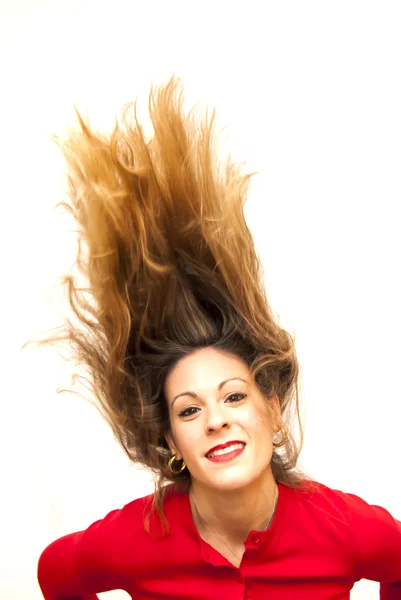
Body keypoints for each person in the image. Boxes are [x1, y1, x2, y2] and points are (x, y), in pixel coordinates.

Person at [36, 76, 401, 599]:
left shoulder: (341, 527)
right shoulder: (136, 540)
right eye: (188, 410)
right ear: (169, 441)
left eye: (234, 395)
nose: (216, 419)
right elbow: (56, 573)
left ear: (272, 408)